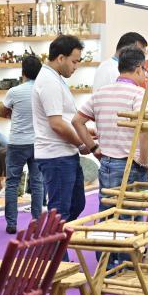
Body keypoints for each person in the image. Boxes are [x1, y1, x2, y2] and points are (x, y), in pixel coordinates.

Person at [73, 46, 148, 267]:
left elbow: (77, 121)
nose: (146, 75)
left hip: (107, 162)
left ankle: (106, 265)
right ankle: (126, 267)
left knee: (107, 214)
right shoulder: (138, 94)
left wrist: (93, 148)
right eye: (145, 70)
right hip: (131, 164)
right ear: (139, 69)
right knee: (131, 218)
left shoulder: (101, 93)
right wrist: (144, 159)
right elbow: (146, 129)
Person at [33, 35, 91, 236]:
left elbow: (64, 119)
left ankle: (55, 244)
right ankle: (54, 251)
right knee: (60, 212)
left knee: (76, 205)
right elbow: (57, 124)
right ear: (60, 58)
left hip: (65, 153)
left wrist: (85, 132)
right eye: (74, 62)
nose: (76, 67)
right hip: (56, 155)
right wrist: (81, 143)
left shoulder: (55, 78)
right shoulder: (49, 81)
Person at [0, 55, 44, 234]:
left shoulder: (14, 91)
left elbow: (2, 112)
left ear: (23, 72)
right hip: (37, 142)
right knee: (37, 182)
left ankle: (11, 223)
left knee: (12, 183)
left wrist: (13, 113)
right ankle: (37, 222)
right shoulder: (42, 90)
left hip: (17, 142)